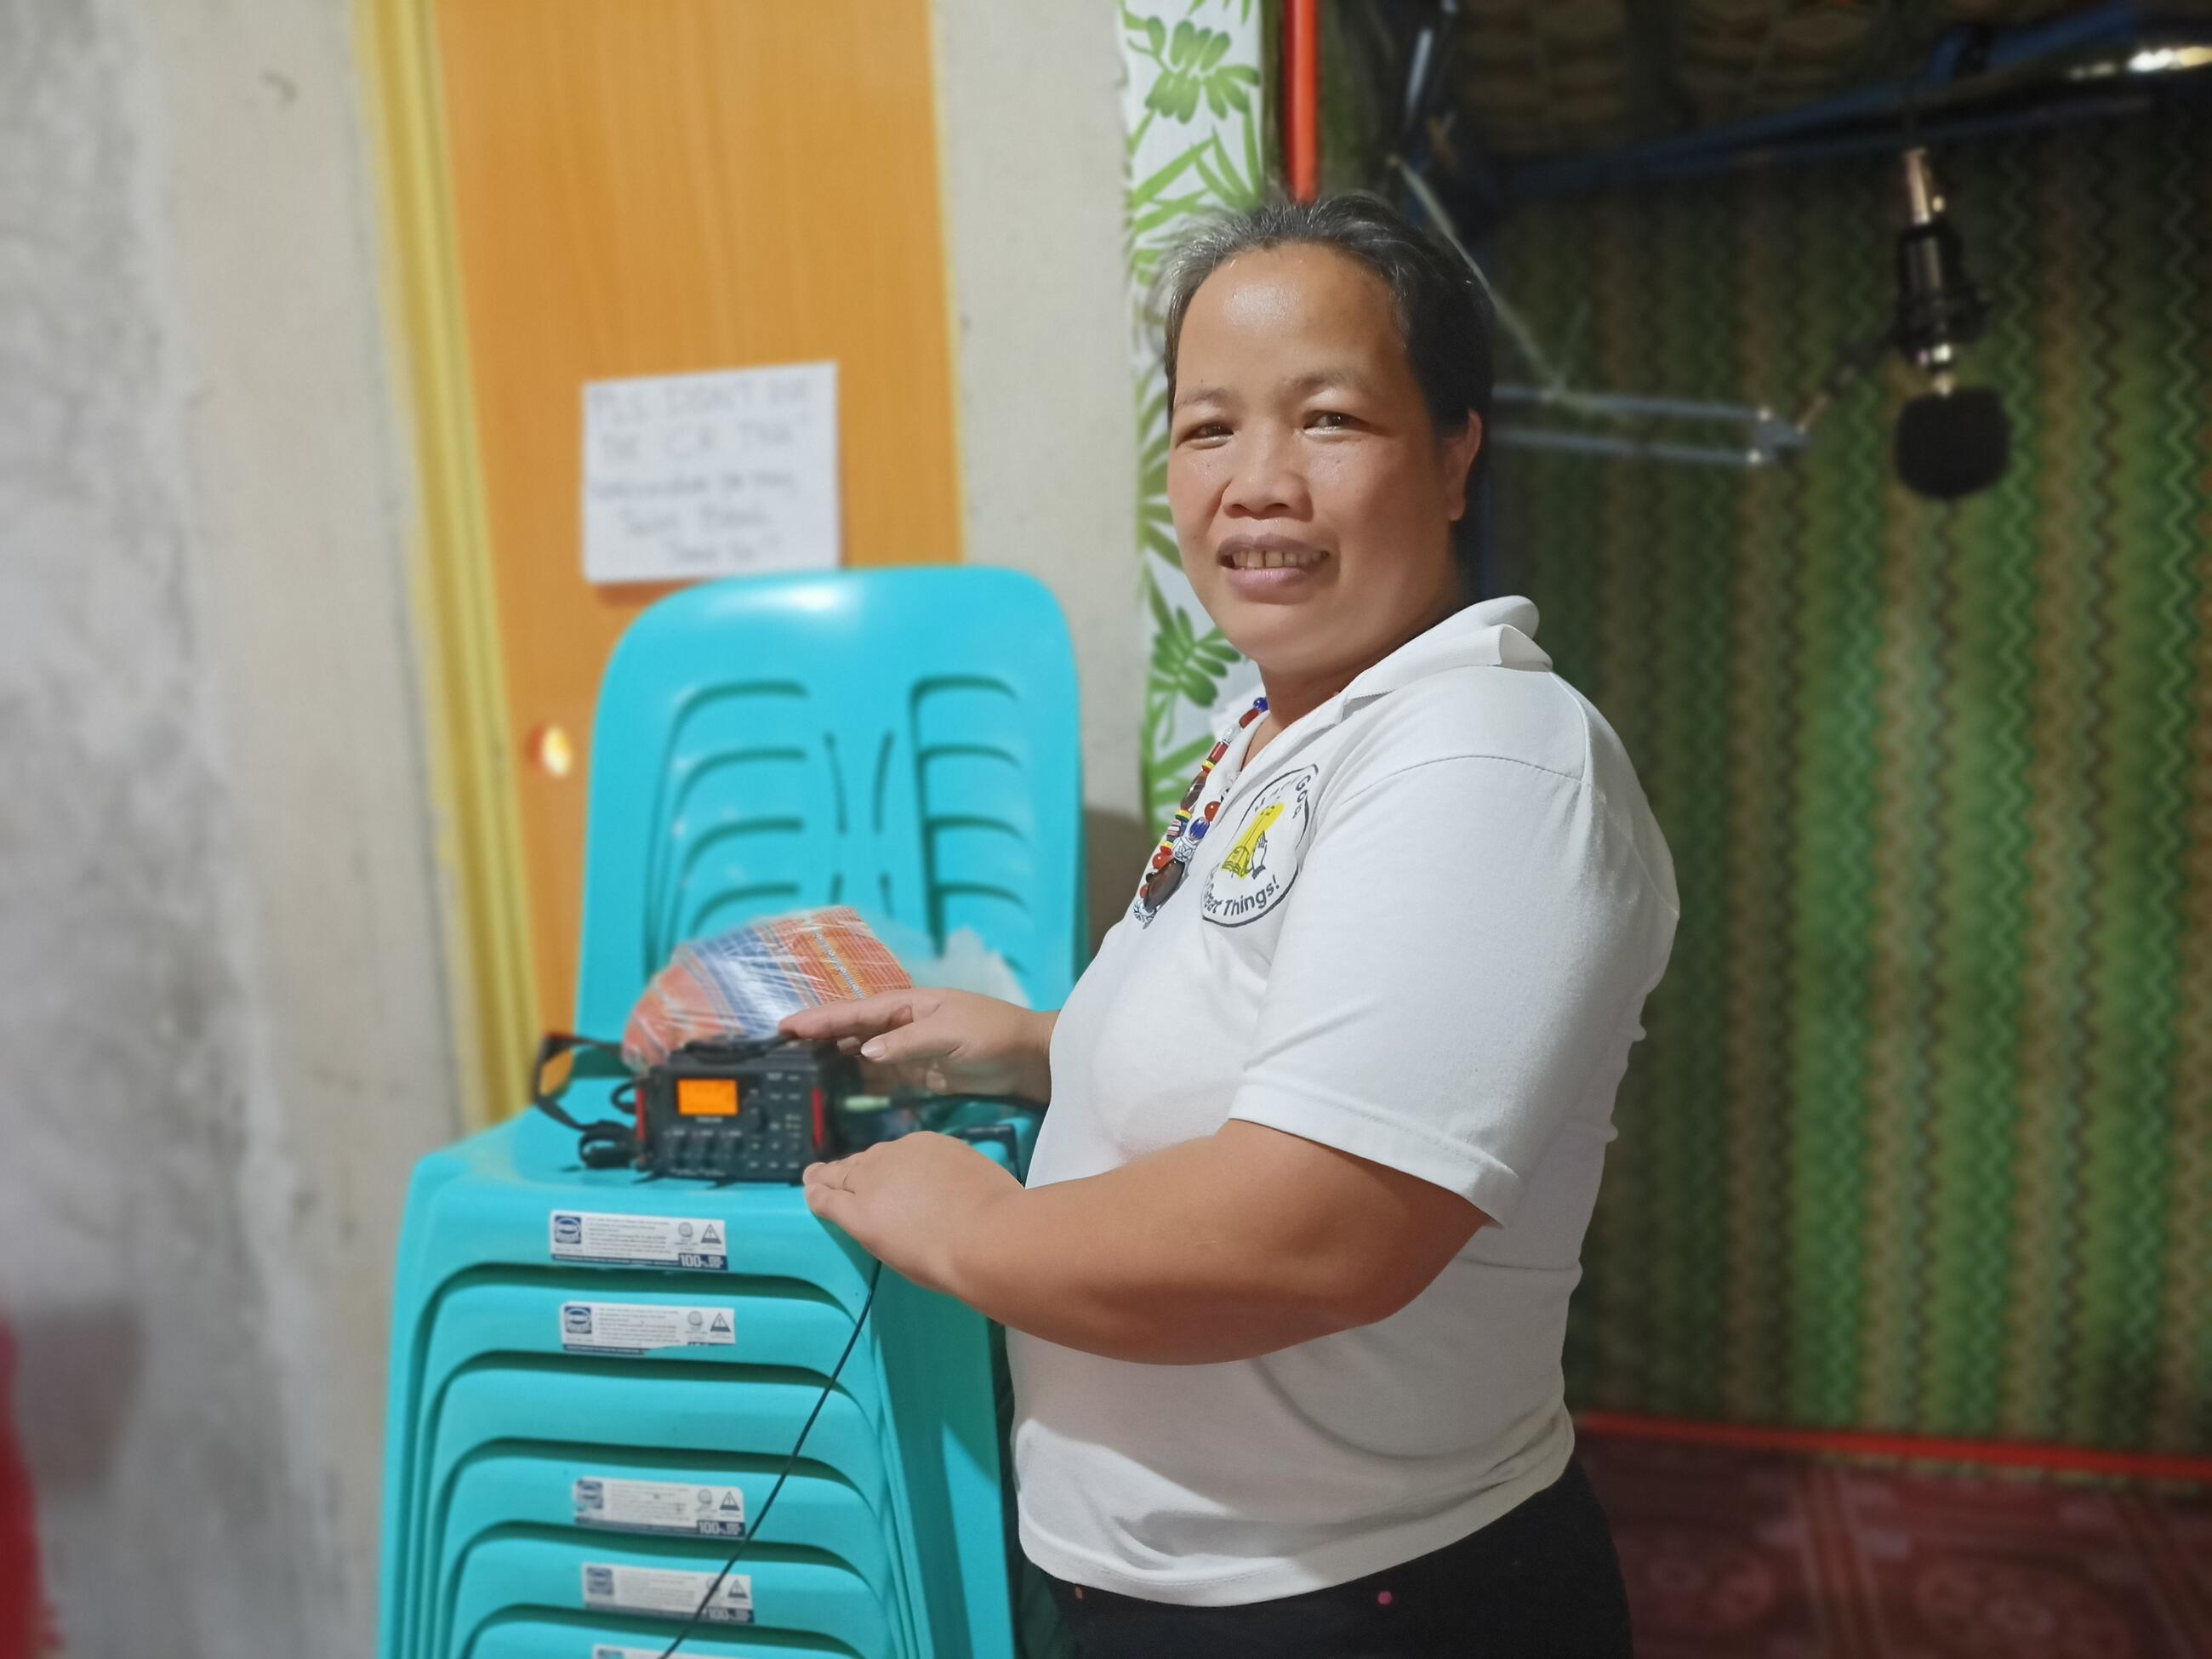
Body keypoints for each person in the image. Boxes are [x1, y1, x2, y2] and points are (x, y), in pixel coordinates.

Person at [783, 193, 1677, 1659]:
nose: (1258, 484)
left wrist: (976, 1227)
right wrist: (1040, 1045)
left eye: (1330, 419)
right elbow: (1290, 1037)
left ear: (1456, 451)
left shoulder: (1490, 757)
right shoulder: (1271, 726)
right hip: (1187, 1591)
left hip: (1365, 1603)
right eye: (1209, 428)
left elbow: (1319, 1229)